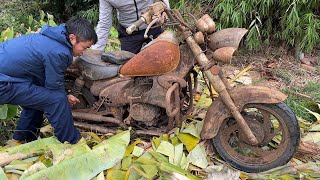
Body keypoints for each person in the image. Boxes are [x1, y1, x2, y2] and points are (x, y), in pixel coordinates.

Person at [0, 17, 98, 144]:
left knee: (40, 97)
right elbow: (54, 90)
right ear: (72, 38)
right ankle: (72, 142)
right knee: (57, 100)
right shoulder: (59, 51)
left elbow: (48, 82)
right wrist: (65, 96)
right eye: (84, 47)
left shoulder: (51, 37)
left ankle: (23, 139)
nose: (84, 53)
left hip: (9, 75)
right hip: (4, 83)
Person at [92, 0, 170, 54]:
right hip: (129, 34)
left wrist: (166, 11)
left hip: (153, 27)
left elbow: (164, 3)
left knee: (164, 57)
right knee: (128, 68)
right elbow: (104, 25)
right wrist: (96, 53)